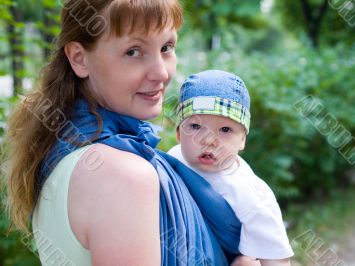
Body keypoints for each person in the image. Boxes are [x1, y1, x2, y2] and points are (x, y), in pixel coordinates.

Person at [4, 1, 260, 265]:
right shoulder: (121, 174)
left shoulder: (64, 149)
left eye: (166, 48)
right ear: (79, 59)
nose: (161, 73)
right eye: (134, 51)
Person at [168, 70, 294, 266]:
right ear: (178, 133)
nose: (208, 140)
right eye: (195, 126)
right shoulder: (170, 162)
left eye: (225, 130)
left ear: (242, 139)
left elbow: (276, 255)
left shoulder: (250, 193)